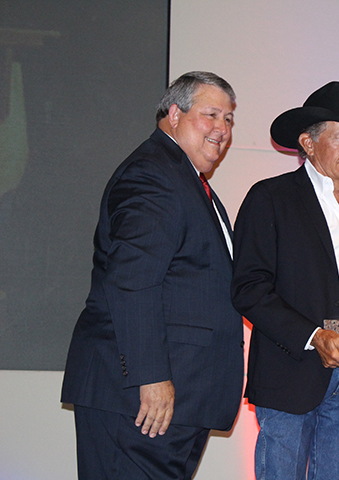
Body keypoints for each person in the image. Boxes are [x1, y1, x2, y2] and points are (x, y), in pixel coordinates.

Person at [61, 71, 244, 480]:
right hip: (143, 404)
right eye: (211, 114)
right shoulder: (154, 175)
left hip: (173, 405)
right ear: (174, 114)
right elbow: (132, 281)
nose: (222, 129)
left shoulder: (183, 179)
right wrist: (151, 376)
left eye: (229, 119)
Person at [232, 81, 339, 480]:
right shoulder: (271, 198)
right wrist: (313, 336)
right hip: (292, 369)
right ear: (308, 143)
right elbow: (249, 288)